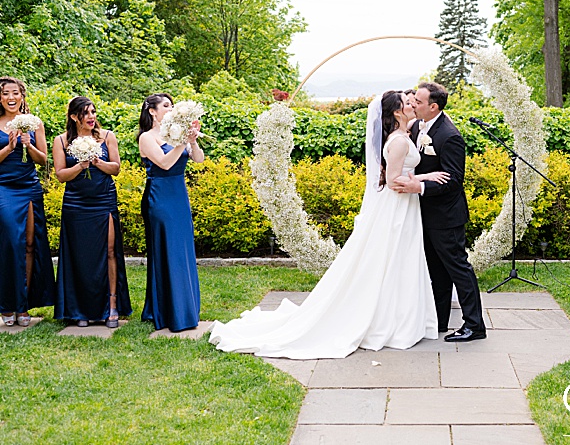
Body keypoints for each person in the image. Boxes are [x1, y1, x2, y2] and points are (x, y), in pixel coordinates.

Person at [209, 91, 447, 358]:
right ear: (396, 112)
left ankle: (398, 319)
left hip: (402, 207)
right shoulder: (400, 141)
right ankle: (389, 323)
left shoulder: (402, 136)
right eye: (407, 103)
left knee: (398, 260)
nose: (413, 105)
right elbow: (393, 181)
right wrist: (422, 183)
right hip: (397, 208)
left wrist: (425, 175)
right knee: (392, 259)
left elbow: (402, 172)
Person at [391, 82, 486, 342]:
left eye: (418, 102)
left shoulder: (450, 135)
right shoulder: (418, 127)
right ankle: (439, 321)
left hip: (446, 217)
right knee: (436, 271)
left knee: (458, 269)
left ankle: (475, 326)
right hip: (425, 214)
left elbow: (454, 179)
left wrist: (418, 185)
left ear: (433, 107)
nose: (412, 104)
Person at [53, 96, 132, 328]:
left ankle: (112, 305)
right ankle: (80, 309)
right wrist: (80, 165)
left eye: (93, 112)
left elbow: (116, 169)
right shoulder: (62, 140)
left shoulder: (107, 137)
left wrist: (96, 161)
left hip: (103, 199)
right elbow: (60, 175)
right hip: (76, 203)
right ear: (74, 116)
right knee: (79, 255)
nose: (91, 117)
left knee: (109, 251)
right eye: (86, 113)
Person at [138, 93, 204, 332]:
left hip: (179, 196)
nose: (171, 109)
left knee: (182, 250)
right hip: (160, 197)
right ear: (152, 111)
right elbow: (164, 163)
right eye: (166, 106)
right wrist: (179, 142)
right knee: (166, 249)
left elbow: (198, 160)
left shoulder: (178, 133)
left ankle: (185, 308)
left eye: (172, 105)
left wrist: (192, 141)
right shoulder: (147, 137)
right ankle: (167, 311)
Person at [0, 76, 54, 326]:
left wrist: (28, 145)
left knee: (31, 244)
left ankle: (24, 306)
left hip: (29, 186)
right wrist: (10, 147)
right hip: (4, 188)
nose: (11, 98)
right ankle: (7, 304)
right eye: (5, 93)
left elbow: (43, 160)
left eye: (15, 93)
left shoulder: (35, 123)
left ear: (22, 95)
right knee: (12, 242)